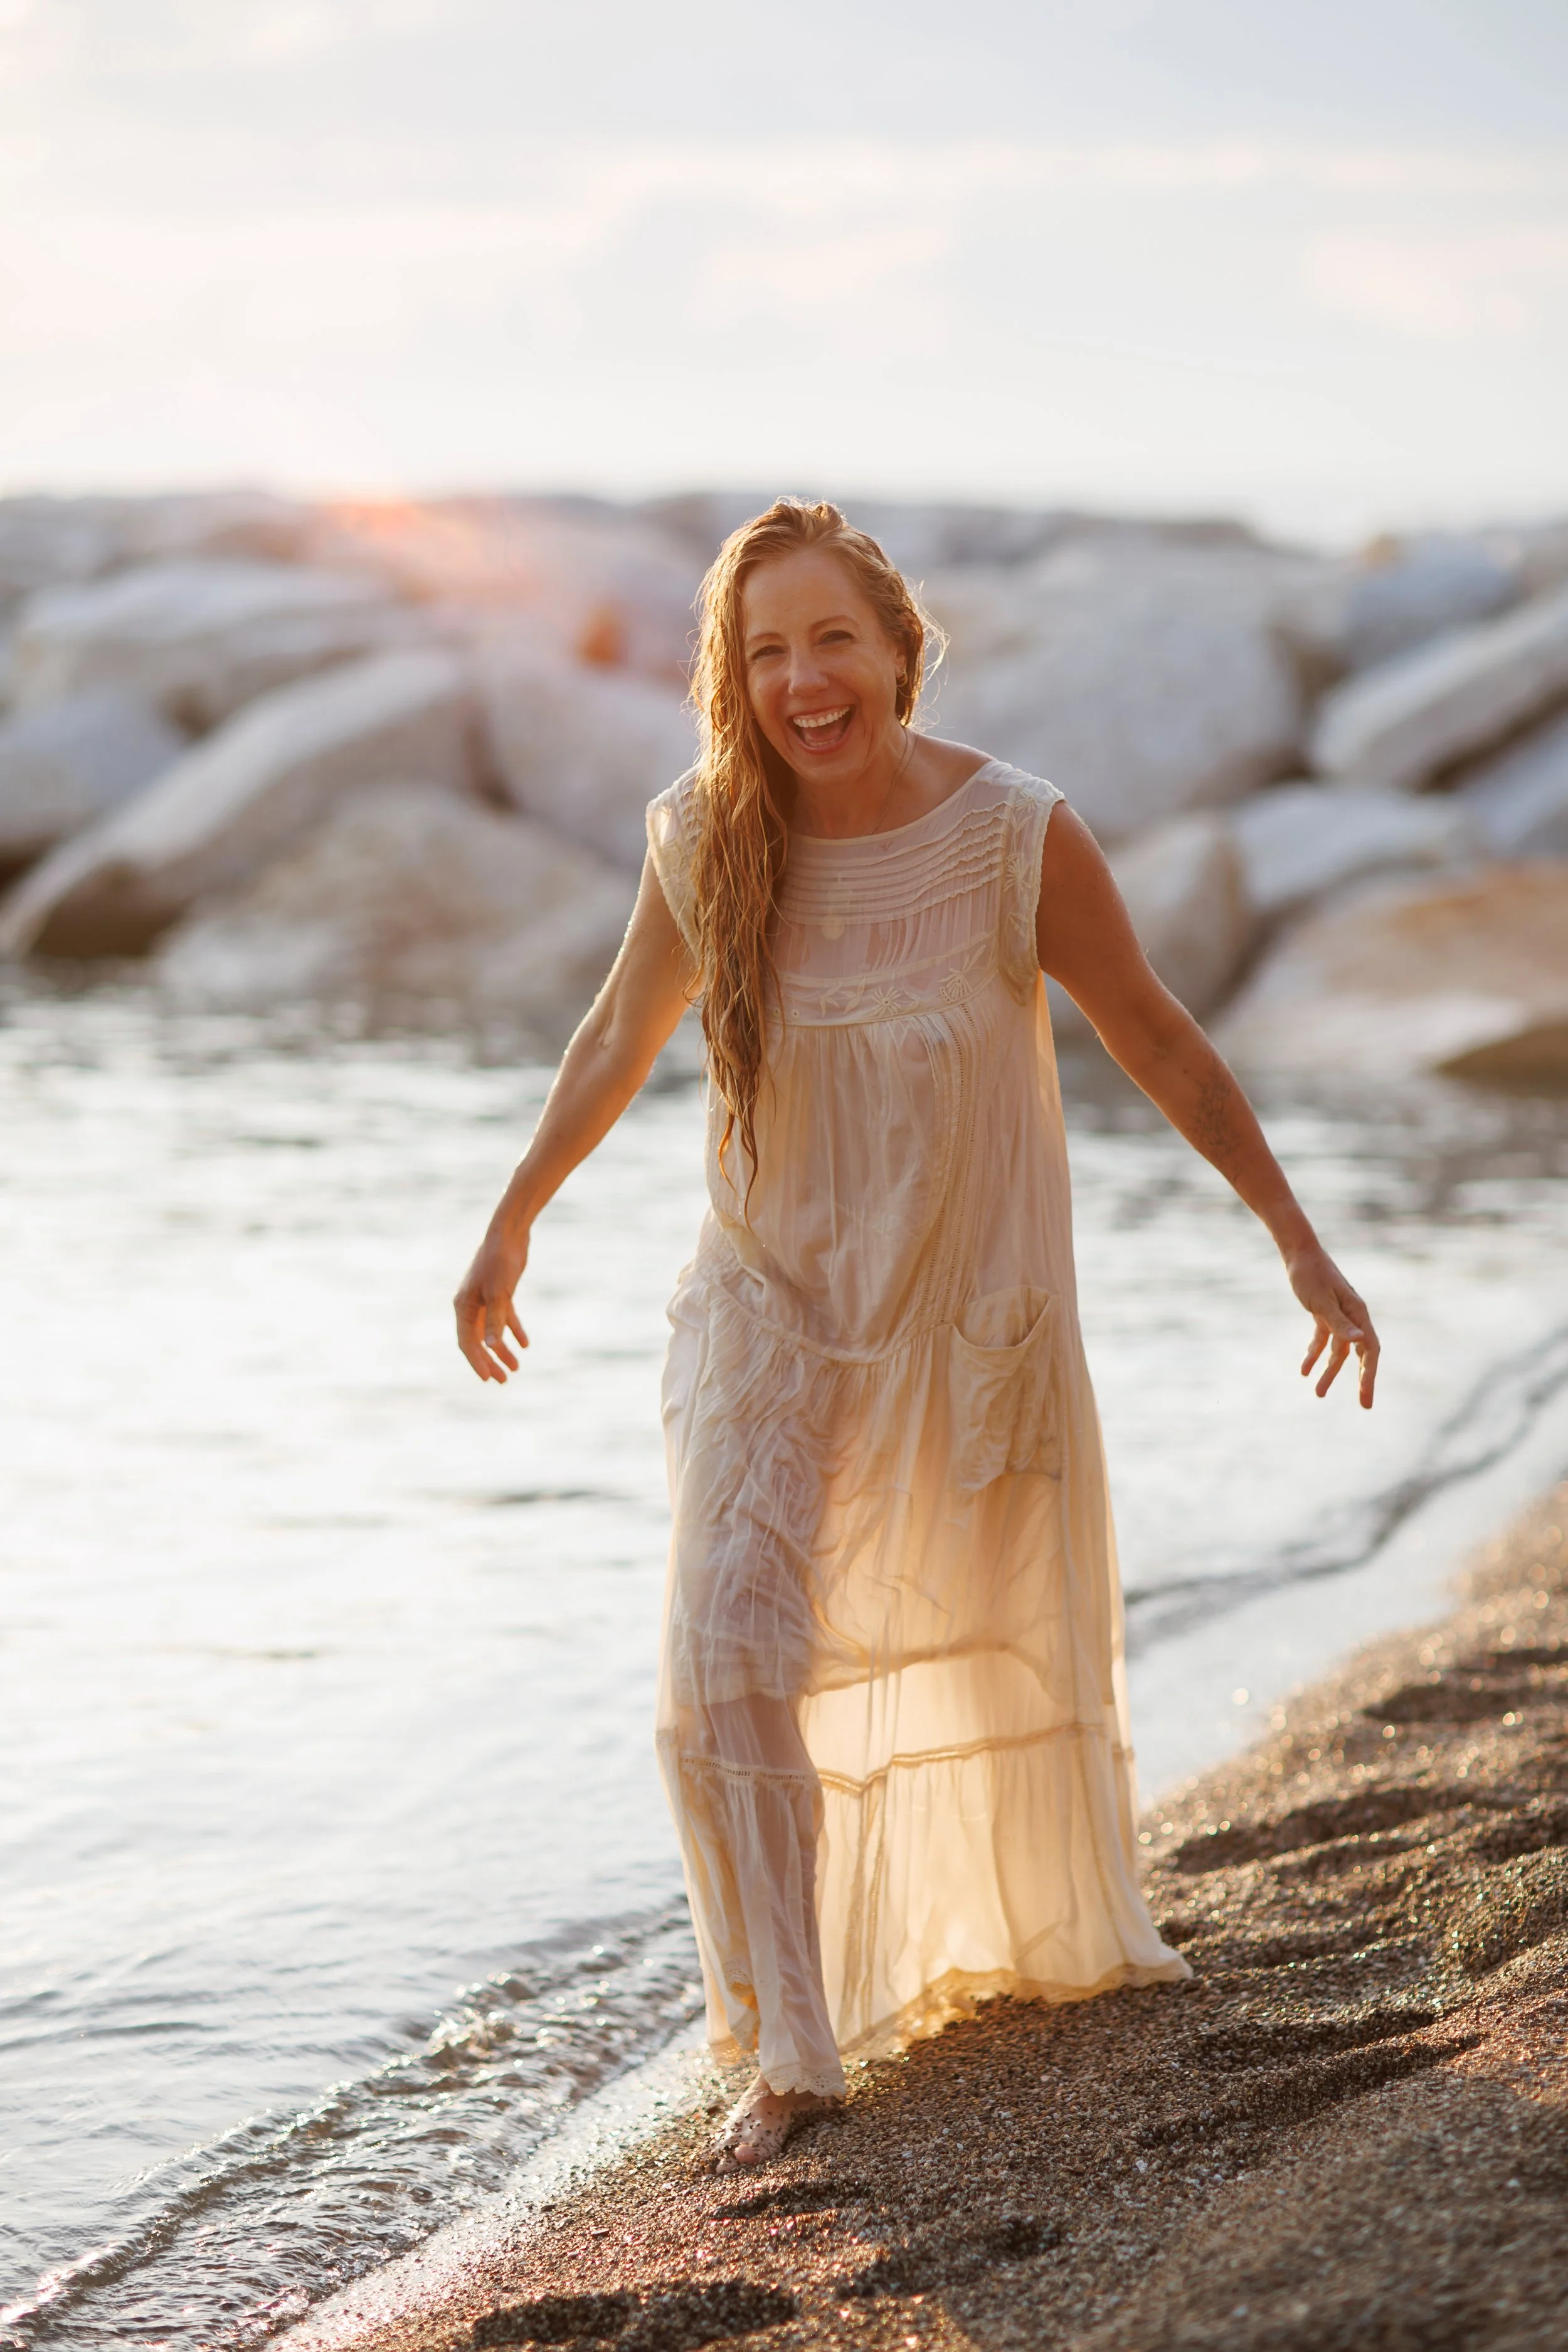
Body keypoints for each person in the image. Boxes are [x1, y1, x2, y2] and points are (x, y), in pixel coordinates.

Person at [454, 499, 1380, 2172]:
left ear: (897, 648)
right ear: (730, 682)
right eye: (763, 652)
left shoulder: (1015, 834)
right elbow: (612, 1030)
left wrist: (1297, 1243)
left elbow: (1158, 1039)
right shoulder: (704, 837)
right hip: (765, 1308)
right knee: (723, 1664)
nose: (803, 680)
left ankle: (958, 1942)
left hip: (958, 1312)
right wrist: (514, 1213)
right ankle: (793, 2047)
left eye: (830, 641)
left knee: (956, 1619)